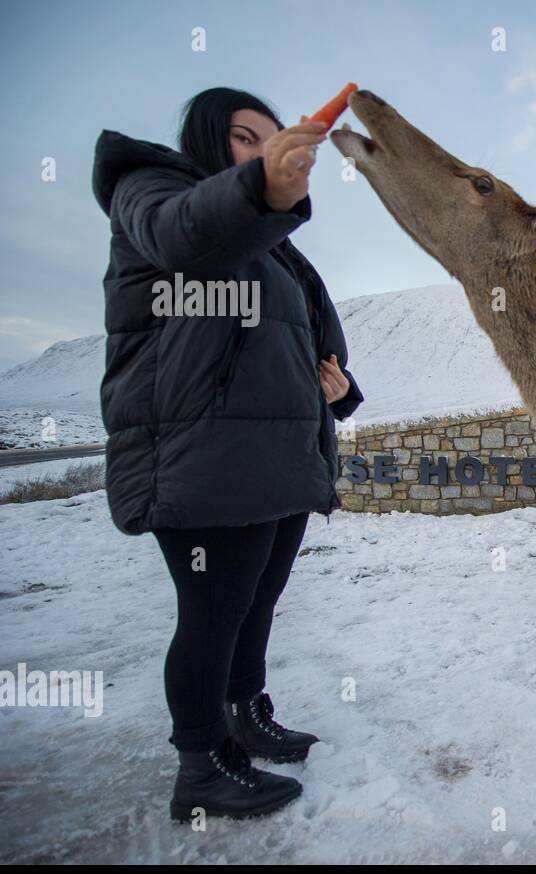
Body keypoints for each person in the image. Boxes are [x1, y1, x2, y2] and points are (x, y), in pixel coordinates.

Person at [91, 87, 364, 821]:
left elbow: (300, 342)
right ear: (210, 141)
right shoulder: (151, 193)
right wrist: (259, 188)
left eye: (274, 141)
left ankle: (247, 712)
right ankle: (202, 763)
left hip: (274, 455)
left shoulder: (276, 251)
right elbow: (187, 236)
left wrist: (335, 387)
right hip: (203, 454)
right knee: (213, 611)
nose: (265, 151)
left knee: (256, 602)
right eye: (247, 139)